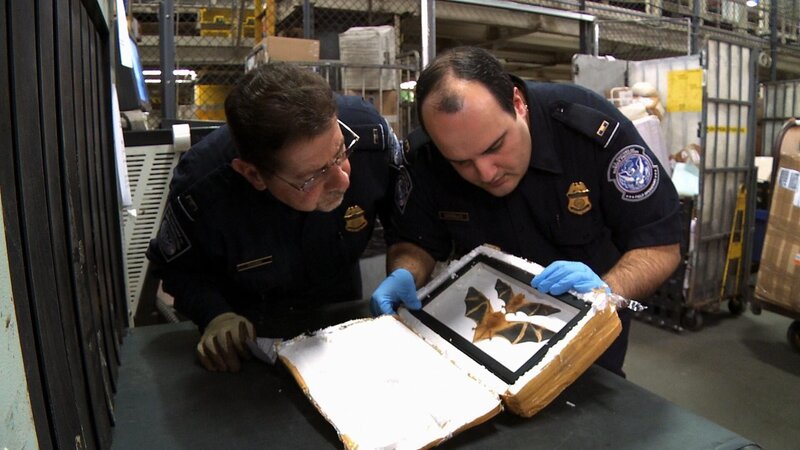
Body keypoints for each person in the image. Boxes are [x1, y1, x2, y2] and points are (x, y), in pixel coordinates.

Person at [371, 47, 682, 376]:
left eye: (495, 147)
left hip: (585, 351)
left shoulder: (589, 132)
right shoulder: (425, 157)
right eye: (461, 162)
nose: (486, 172)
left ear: (518, 104)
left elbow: (659, 243)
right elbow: (415, 240)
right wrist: (405, 272)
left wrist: (607, 292)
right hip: (478, 340)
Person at [147, 63, 401, 372]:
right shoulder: (201, 191)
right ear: (254, 174)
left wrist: (406, 268)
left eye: (340, 153)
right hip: (251, 338)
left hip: (339, 320)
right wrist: (215, 314)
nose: (343, 180)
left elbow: (404, 217)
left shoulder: (368, 135)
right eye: (313, 176)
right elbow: (176, 269)